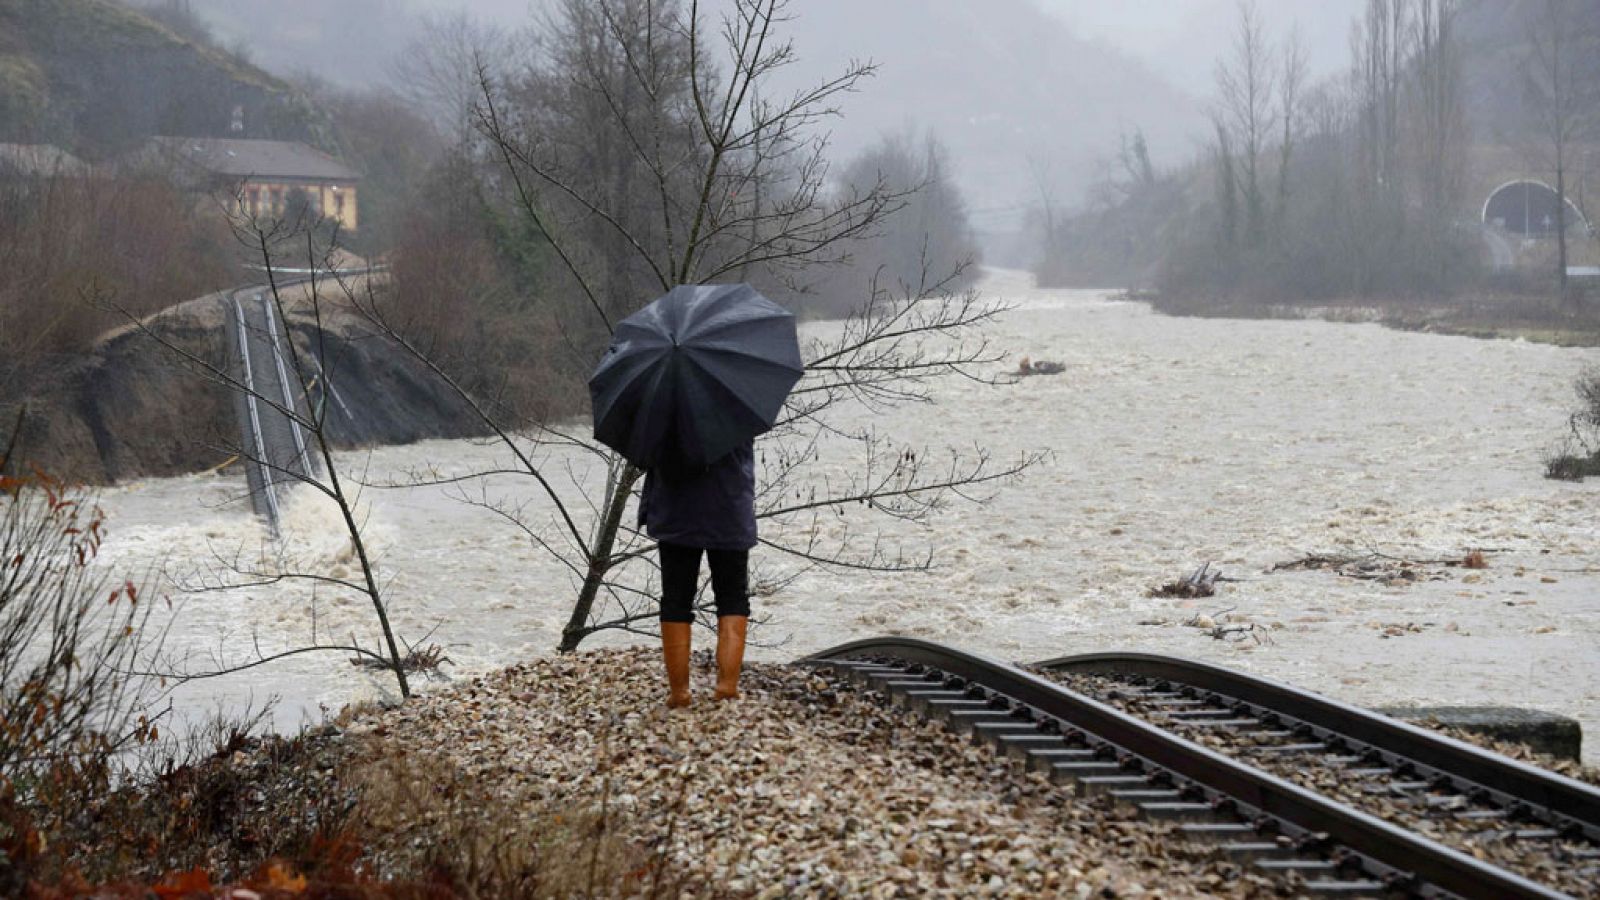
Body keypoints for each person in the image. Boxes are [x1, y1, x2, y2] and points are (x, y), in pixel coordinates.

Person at [638, 439, 756, 708]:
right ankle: (727, 686)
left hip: (676, 512)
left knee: (676, 601)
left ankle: (679, 692)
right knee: (733, 597)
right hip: (730, 511)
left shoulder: (664, 410)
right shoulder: (739, 405)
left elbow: (647, 454)